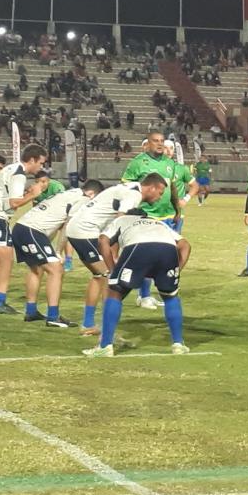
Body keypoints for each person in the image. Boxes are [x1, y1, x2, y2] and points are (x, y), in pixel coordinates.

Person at [83, 175, 192, 358]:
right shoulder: (157, 223)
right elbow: (185, 245)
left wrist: (112, 270)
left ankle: (105, 346)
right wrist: (177, 269)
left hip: (139, 247)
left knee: (115, 293)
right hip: (167, 250)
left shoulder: (121, 220)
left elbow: (103, 241)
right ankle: (178, 344)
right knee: (170, 296)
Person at [12, 178, 100, 328]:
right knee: (56, 270)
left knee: (36, 269)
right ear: (91, 194)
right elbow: (67, 227)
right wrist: (58, 251)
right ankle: (53, 317)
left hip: (21, 227)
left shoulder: (69, 193)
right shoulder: (83, 199)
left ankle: (31, 311)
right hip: (32, 230)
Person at [0, 144, 49, 313]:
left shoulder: (11, 169)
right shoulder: (19, 175)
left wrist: (26, 194)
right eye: (41, 163)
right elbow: (14, 203)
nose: (42, 167)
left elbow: (8, 197)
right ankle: (0, 303)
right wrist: (33, 195)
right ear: (32, 160)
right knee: (7, 261)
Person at [65, 179, 146, 335]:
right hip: (85, 231)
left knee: (99, 276)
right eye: (161, 193)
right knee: (110, 279)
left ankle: (89, 324)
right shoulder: (135, 194)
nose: (160, 197)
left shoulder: (125, 187)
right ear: (153, 187)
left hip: (79, 229)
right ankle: (106, 329)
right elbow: (121, 220)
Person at [121, 131, 184, 308]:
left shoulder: (169, 163)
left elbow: (171, 189)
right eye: (155, 141)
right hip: (145, 215)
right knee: (147, 256)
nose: (159, 144)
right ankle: (143, 295)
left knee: (162, 256)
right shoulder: (138, 162)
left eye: (162, 141)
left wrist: (177, 209)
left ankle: (148, 294)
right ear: (148, 143)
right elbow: (125, 186)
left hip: (165, 216)